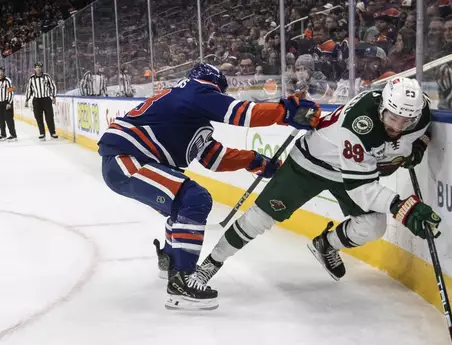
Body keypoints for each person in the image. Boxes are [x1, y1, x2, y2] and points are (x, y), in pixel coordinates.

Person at [97, 63, 321, 311]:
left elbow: (213, 157)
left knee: (183, 204)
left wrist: (255, 161)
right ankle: (182, 281)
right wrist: (285, 111)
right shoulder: (194, 90)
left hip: (129, 159)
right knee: (193, 199)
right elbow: (241, 114)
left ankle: (172, 261)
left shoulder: (186, 111)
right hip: (128, 159)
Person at [194, 77, 441, 286]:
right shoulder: (360, 124)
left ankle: (326, 244)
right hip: (310, 163)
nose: (397, 126)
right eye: (391, 118)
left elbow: (411, 136)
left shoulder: (418, 115)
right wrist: (402, 208)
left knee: (373, 226)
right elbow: (361, 189)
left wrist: (414, 146)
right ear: (381, 107)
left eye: (404, 121)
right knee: (260, 218)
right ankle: (211, 263)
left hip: (351, 170)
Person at [25, 61, 57, 140]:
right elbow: (29, 90)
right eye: (36, 67)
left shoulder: (46, 76)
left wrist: (54, 97)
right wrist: (26, 99)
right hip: (37, 101)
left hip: (46, 99)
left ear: (41, 68)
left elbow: (53, 86)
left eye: (39, 67)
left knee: (49, 117)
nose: (38, 69)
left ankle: (52, 133)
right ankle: (42, 133)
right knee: (38, 118)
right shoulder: (32, 78)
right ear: (34, 69)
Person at [0, 66, 17, 141]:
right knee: (1, 120)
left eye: (1, 71)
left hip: (7, 102)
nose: (0, 73)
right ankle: (3, 135)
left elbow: (11, 92)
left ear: (3, 72)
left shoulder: (8, 81)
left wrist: (9, 103)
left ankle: (13, 135)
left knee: (9, 119)